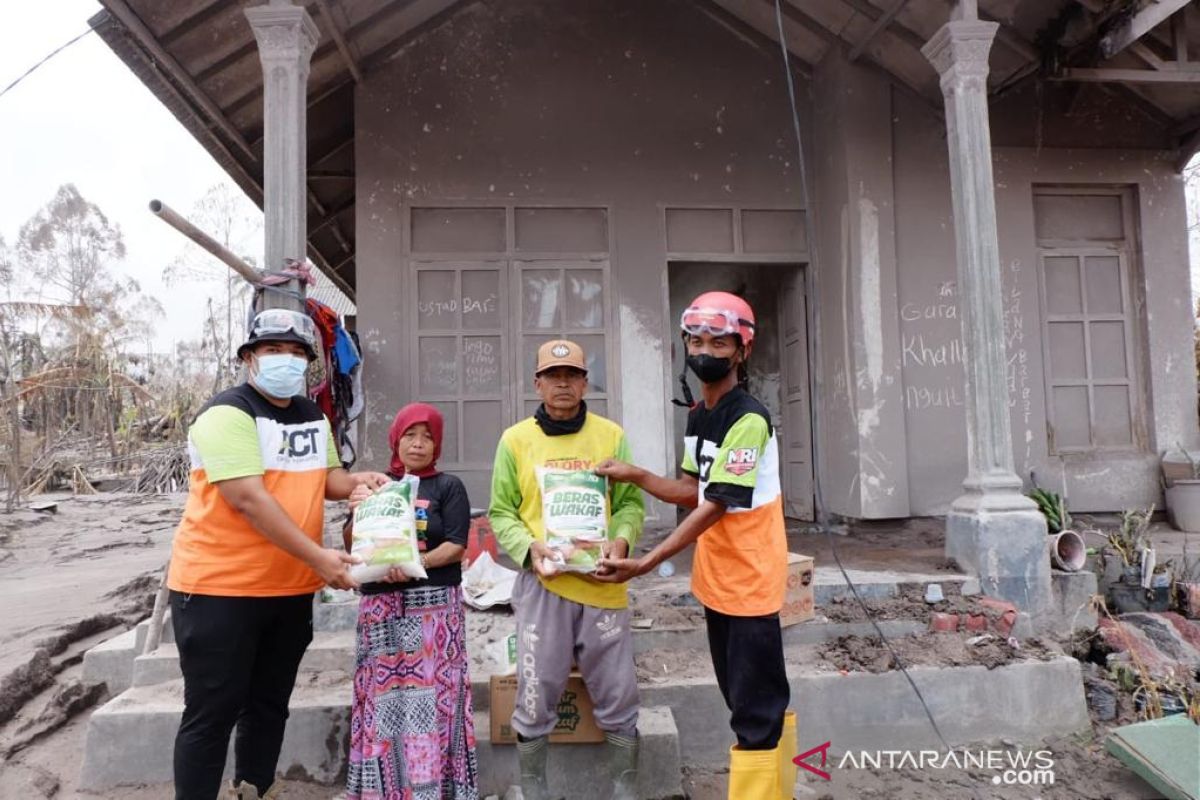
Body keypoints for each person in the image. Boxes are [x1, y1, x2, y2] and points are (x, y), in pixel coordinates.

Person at [168, 308, 390, 800]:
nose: (285, 361)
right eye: (273, 350)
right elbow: (249, 499)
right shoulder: (227, 415)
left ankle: (253, 790)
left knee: (269, 705)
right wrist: (319, 557)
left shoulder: (313, 415)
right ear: (249, 358)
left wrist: (358, 483)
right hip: (218, 590)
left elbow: (328, 479)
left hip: (288, 591)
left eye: (296, 353)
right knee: (212, 712)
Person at [595, 292, 794, 800]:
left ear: (742, 350)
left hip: (750, 580)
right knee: (743, 697)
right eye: (696, 340)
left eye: (719, 342)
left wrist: (648, 562)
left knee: (755, 709)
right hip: (717, 579)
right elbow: (692, 489)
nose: (705, 350)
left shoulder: (748, 419)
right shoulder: (700, 412)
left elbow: (716, 505)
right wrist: (635, 474)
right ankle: (778, 786)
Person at [488, 340, 646, 800]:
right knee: (537, 687)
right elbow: (502, 512)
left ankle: (624, 786)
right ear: (536, 383)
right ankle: (534, 784)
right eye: (553, 375)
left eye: (572, 375)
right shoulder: (515, 440)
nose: (563, 383)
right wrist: (529, 547)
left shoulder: (610, 435)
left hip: (602, 584)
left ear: (584, 383)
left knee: (617, 690)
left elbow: (630, 503)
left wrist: (621, 539)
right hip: (545, 585)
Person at [343, 403, 479, 800]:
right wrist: (354, 515)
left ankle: (434, 790)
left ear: (437, 445)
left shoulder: (448, 487)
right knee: (385, 699)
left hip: (434, 613)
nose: (418, 445)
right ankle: (384, 789)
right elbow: (353, 545)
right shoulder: (376, 486)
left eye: (428, 437)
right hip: (381, 610)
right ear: (396, 440)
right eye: (410, 436)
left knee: (433, 701)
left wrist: (415, 562)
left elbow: (455, 545)